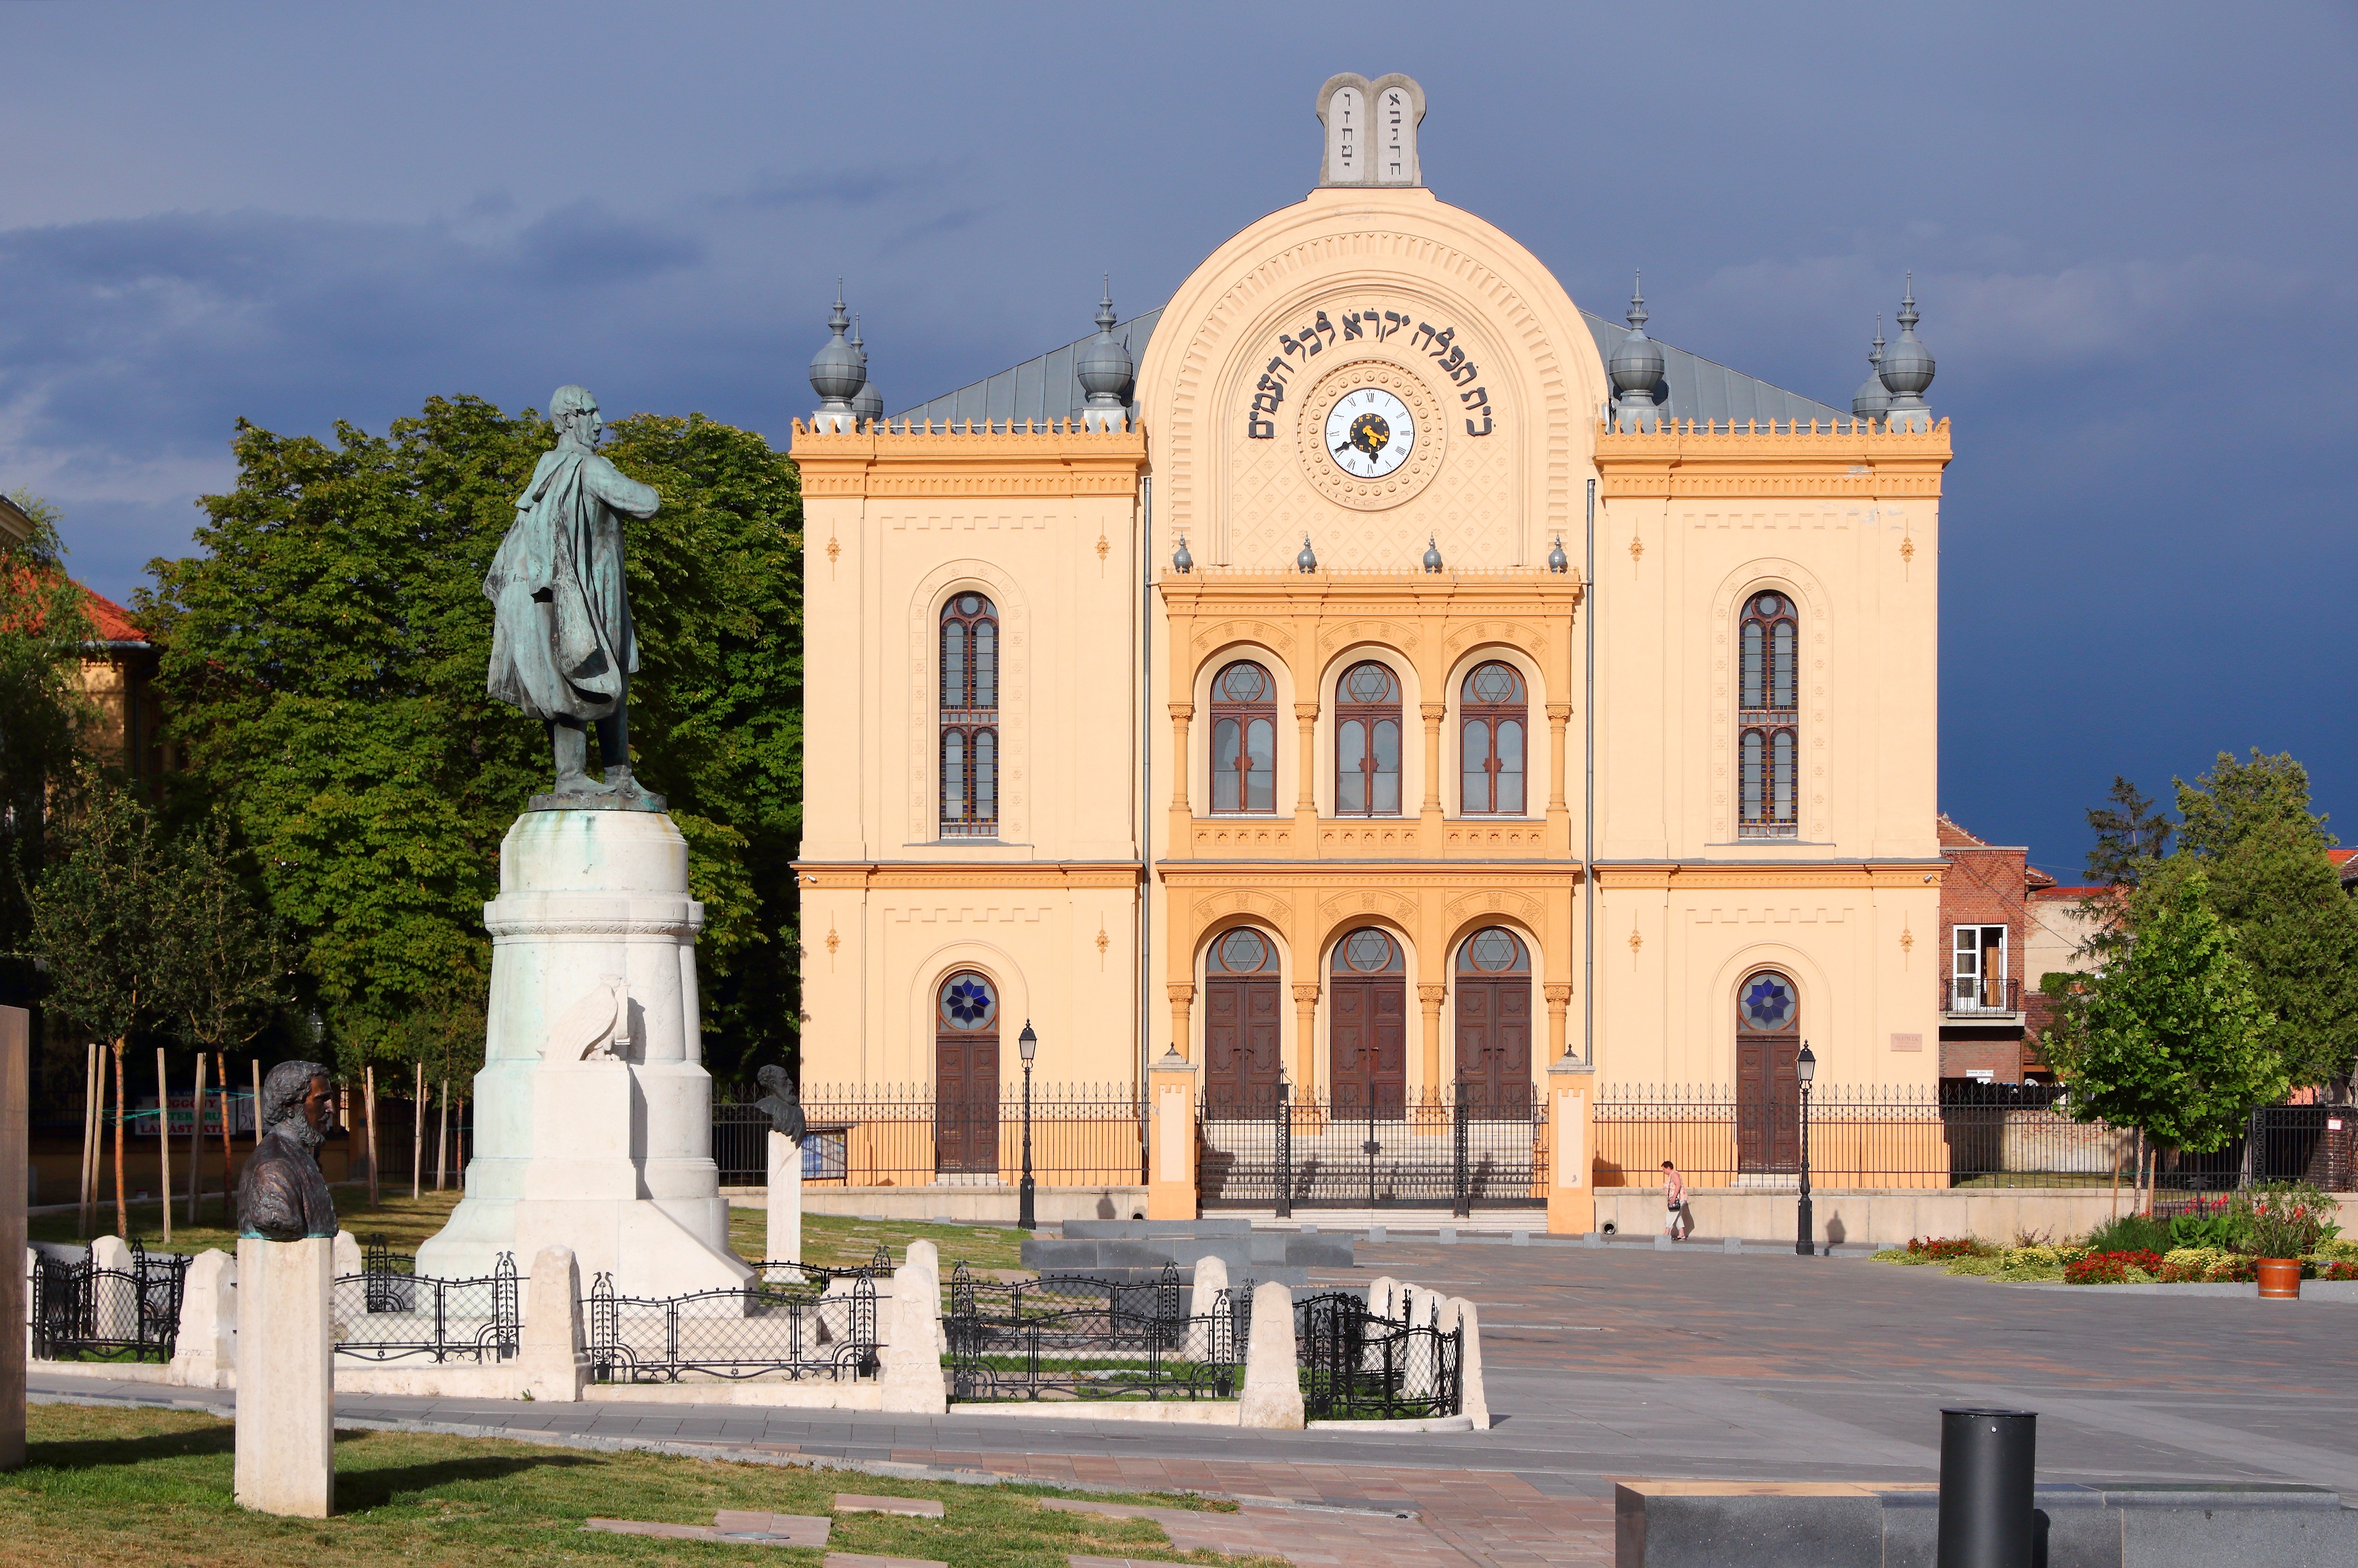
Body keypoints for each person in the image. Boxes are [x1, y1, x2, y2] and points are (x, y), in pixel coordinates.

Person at [484, 384, 664, 808]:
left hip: (566, 590)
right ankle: (582, 777)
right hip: (589, 589)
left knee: (590, 677)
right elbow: (645, 503)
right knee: (586, 678)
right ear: (569, 420)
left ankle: (607, 776)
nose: (599, 423)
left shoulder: (545, 473)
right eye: (591, 414)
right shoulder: (587, 467)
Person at [236, 1061, 339, 1241]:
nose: (331, 1109)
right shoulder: (274, 1167)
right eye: (321, 1099)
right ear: (290, 1107)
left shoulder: (299, 1155)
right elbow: (276, 1220)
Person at [1661, 1159, 1689, 1242]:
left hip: (1678, 1199)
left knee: (1670, 1214)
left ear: (1669, 1168)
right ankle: (1682, 1234)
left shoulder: (1674, 1174)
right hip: (1677, 1198)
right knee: (1677, 1215)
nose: (1663, 1171)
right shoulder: (1671, 1175)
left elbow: (1678, 1185)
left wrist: (1674, 1198)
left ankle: (1666, 1233)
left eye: (1664, 1169)